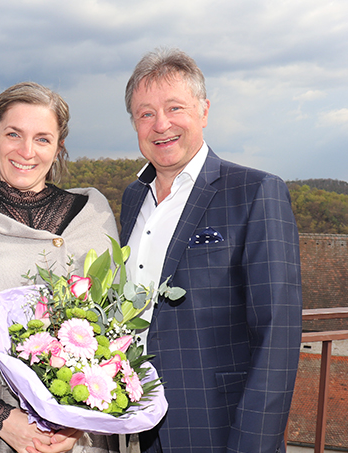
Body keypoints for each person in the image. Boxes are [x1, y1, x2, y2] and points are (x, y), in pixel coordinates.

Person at [119, 48, 302, 453]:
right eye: (145, 113)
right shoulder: (133, 199)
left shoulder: (254, 192)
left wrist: (252, 446)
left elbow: (278, 334)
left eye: (174, 108)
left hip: (219, 429)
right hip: (139, 429)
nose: (160, 124)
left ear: (203, 111)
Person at [0, 82, 121, 453]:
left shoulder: (93, 217)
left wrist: (72, 422)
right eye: (13, 134)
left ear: (58, 147)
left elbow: (112, 340)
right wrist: (3, 420)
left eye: (42, 139)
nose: (26, 151)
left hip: (79, 431)